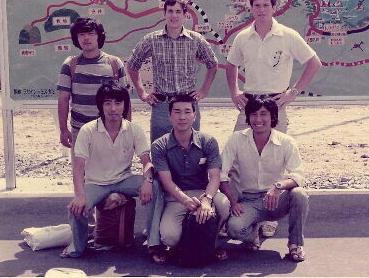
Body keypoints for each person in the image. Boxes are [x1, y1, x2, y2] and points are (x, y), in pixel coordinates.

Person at [224, 0, 321, 237]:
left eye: (266, 5)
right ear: (251, 8)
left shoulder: (288, 35)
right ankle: (241, 210)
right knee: (234, 160)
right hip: (250, 103)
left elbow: (314, 62)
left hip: (277, 104)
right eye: (256, 5)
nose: (261, 10)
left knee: (275, 159)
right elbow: (231, 64)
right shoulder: (243, 37)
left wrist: (294, 92)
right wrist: (235, 91)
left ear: (274, 7)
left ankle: (270, 216)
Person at [60, 83, 163, 258]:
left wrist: (148, 180)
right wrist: (79, 194)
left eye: (118, 103)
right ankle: (77, 247)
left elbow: (146, 161)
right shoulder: (88, 130)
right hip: (96, 183)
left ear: (125, 105)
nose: (113, 108)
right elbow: (78, 167)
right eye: (107, 103)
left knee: (156, 188)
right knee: (76, 207)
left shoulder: (133, 130)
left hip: (124, 180)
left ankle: (154, 242)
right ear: (100, 106)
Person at [219, 96, 309, 262]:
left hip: (275, 200)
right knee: (234, 229)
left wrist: (278, 186)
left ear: (273, 117)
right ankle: (252, 233)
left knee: (300, 194)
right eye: (253, 114)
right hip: (247, 200)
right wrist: (233, 202)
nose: (258, 119)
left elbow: (299, 175)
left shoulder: (286, 142)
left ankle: (295, 244)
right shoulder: (236, 139)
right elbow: (221, 173)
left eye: (263, 114)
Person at [126, 0, 218, 143]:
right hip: (162, 106)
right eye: (170, 11)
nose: (174, 15)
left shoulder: (196, 40)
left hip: (188, 104)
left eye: (178, 11)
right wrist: (142, 93)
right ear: (164, 14)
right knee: (160, 149)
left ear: (185, 15)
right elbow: (132, 65)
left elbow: (212, 64)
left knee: (191, 149)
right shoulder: (152, 39)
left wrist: (204, 90)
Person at [150, 94, 230, 264]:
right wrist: (186, 201)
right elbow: (167, 182)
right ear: (170, 116)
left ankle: (210, 242)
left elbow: (215, 177)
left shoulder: (208, 141)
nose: (182, 117)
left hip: (203, 192)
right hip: (175, 197)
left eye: (187, 111)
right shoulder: (159, 145)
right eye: (177, 112)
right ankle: (189, 242)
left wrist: (207, 200)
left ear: (194, 115)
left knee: (224, 204)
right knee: (169, 238)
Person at [57, 17, 130, 162]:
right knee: (81, 173)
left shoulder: (114, 63)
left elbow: (125, 99)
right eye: (81, 34)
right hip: (80, 130)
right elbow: (63, 98)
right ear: (76, 38)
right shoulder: (70, 64)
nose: (86, 38)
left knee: (113, 171)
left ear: (99, 36)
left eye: (91, 33)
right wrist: (63, 130)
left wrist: (127, 129)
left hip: (111, 130)